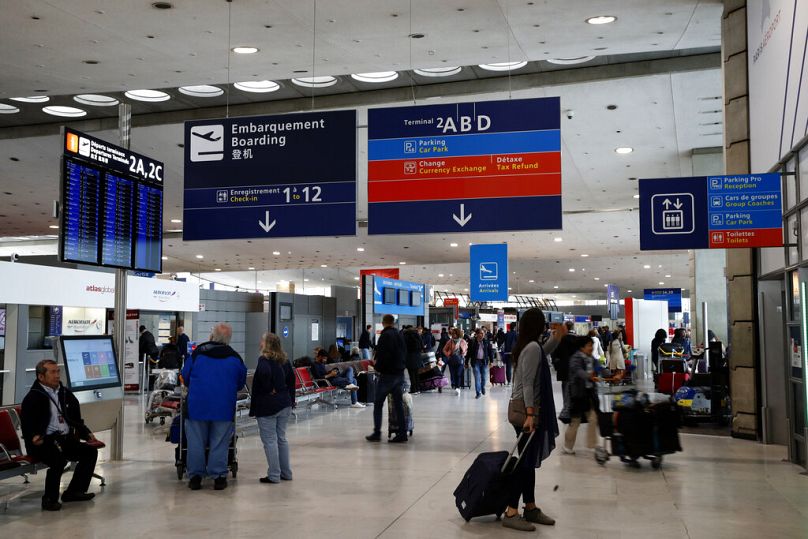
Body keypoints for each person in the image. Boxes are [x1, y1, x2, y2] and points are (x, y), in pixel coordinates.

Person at [502, 308, 559, 532]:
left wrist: (557, 338)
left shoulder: (529, 346)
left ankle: (531, 507)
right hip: (525, 413)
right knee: (524, 464)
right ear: (538, 326)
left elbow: (542, 353)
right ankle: (511, 511)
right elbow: (527, 383)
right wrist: (530, 414)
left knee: (528, 462)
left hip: (524, 410)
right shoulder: (531, 347)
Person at [20, 359, 100, 511]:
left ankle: (74, 491)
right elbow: (27, 423)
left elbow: (75, 419)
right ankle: (49, 499)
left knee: (89, 452)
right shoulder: (33, 397)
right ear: (41, 377)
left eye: (58, 371)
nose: (57, 375)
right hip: (43, 441)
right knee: (58, 460)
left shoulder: (64, 393)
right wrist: (33, 437)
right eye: (52, 372)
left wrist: (86, 433)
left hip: (64, 439)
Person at [181, 323, 247, 491]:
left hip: (197, 405)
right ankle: (218, 477)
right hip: (223, 407)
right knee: (220, 442)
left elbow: (185, 375)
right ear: (229, 339)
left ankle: (195, 477)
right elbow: (240, 383)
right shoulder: (235, 358)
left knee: (195, 442)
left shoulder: (198, 354)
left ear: (212, 336)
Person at [250, 332, 295, 484]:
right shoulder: (285, 360)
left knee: (270, 441)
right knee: (281, 439)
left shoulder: (264, 360)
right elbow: (291, 381)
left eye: (262, 341)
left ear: (267, 344)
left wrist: (270, 388)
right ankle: (286, 472)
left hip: (268, 406)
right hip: (284, 404)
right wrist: (290, 399)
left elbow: (263, 374)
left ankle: (274, 475)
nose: (259, 343)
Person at [366, 314, 408, 443]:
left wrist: (377, 367)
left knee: (378, 404)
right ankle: (402, 433)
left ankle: (377, 432)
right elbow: (404, 352)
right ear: (393, 323)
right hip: (399, 374)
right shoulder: (400, 335)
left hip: (387, 376)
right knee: (398, 405)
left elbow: (383, 355)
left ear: (384, 322)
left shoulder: (385, 336)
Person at [563, 336, 601, 455]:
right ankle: (567, 446)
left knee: (593, 419)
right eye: (589, 345)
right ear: (582, 347)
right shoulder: (575, 358)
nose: (592, 347)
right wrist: (589, 376)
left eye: (592, 345)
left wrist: (612, 374)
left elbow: (599, 368)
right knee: (575, 422)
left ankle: (593, 445)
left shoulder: (592, 358)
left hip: (589, 393)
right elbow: (578, 371)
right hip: (578, 395)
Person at [550, 322, 577, 423]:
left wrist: (557, 366)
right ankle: (572, 410)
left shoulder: (561, 340)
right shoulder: (576, 339)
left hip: (564, 369)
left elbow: (555, 353)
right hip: (574, 370)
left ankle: (566, 410)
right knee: (573, 390)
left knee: (565, 389)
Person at [467, 328, 493, 399]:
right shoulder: (473, 342)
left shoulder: (486, 342)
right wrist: (466, 362)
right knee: (477, 378)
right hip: (475, 362)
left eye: (483, 333)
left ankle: (482, 387)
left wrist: (491, 361)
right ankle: (478, 393)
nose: (481, 335)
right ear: (477, 334)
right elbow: (468, 353)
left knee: (484, 378)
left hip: (484, 362)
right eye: (480, 333)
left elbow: (490, 352)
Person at [443, 327, 468, 394]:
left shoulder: (462, 341)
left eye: (455, 334)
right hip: (452, 359)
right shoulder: (450, 341)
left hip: (460, 360)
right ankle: (453, 384)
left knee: (458, 374)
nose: (453, 335)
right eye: (452, 334)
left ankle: (458, 387)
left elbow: (466, 350)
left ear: (458, 334)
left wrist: (463, 354)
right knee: (453, 374)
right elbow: (444, 349)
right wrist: (448, 354)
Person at [403, 325, 424, 394]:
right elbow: (422, 346)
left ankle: (413, 389)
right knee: (417, 374)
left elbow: (404, 347)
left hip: (410, 357)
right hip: (418, 357)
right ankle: (418, 389)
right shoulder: (418, 335)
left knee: (411, 374)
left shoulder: (406, 336)